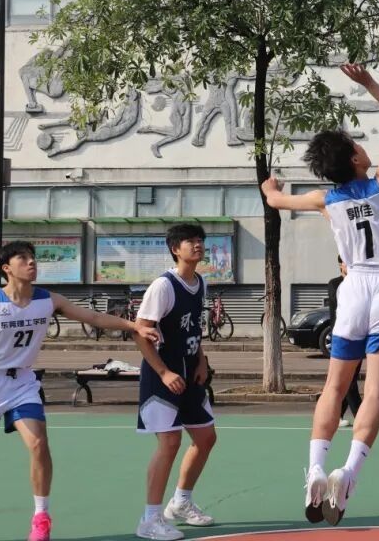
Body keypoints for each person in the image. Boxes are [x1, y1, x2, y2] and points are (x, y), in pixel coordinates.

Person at [0, 241, 159, 541]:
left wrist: (134, 326)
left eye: (32, 257)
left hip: (22, 382)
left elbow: (94, 318)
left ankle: (41, 517)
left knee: (38, 443)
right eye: (23, 258)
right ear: (6, 268)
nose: (31, 262)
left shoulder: (48, 299)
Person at [262, 63, 379, 525]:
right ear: (355, 159)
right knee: (376, 391)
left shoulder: (324, 200)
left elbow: (275, 201)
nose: (364, 146)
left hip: (353, 289)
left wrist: (270, 187)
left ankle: (314, 468)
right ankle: (348, 472)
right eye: (357, 144)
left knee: (335, 386)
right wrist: (368, 83)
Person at [134, 223, 219, 540]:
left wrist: (202, 360)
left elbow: (193, 328)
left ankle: (181, 502)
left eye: (200, 240)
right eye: (190, 241)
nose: (197, 245)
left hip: (190, 370)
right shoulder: (163, 286)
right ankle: (149, 519)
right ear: (175, 249)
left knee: (206, 438)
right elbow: (140, 333)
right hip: (164, 373)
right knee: (170, 443)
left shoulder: (201, 283)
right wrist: (163, 372)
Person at [327, 256, 362, 427]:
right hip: (341, 335)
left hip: (358, 334)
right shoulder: (335, 284)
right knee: (349, 380)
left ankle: (337, 415)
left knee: (349, 378)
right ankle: (361, 415)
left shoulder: (358, 283)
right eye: (347, 263)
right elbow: (341, 303)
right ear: (340, 265)